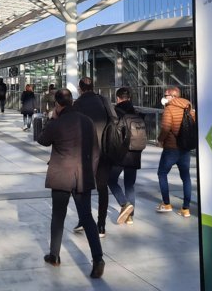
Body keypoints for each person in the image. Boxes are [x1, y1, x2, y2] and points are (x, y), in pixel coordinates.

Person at [36, 89, 104, 279]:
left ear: (58, 104)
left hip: (61, 175)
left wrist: (51, 118)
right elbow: (96, 150)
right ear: (72, 101)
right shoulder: (87, 121)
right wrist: (90, 171)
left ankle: (54, 255)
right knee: (87, 217)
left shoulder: (57, 123)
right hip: (83, 175)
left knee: (58, 216)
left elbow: (42, 140)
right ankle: (98, 259)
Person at [73, 77, 113, 236]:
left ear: (80, 88)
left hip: (86, 152)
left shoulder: (78, 104)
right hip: (105, 149)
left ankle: (84, 220)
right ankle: (101, 225)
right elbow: (113, 119)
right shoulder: (103, 100)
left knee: (84, 187)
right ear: (93, 87)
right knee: (103, 187)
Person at [156, 86, 195, 216]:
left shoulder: (169, 109)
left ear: (173, 96)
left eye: (166, 96)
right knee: (185, 177)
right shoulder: (188, 107)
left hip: (171, 148)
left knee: (162, 173)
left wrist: (160, 140)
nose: (164, 98)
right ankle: (186, 208)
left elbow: (166, 128)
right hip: (185, 148)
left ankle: (166, 204)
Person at [109, 87, 142, 225]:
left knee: (111, 180)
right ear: (129, 98)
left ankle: (124, 203)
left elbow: (113, 134)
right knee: (129, 185)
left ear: (118, 98)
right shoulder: (136, 112)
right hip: (135, 152)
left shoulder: (116, 112)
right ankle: (130, 216)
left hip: (121, 153)